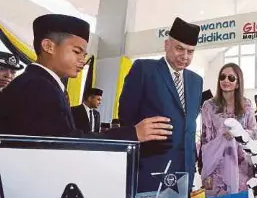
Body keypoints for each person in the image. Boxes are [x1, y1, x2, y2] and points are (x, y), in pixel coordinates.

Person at [0, 14, 172, 143]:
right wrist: (132, 134)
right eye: (76, 51)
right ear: (48, 46)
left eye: (84, 54)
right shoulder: (37, 86)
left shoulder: (42, 83)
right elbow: (63, 143)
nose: (82, 60)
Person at [119, 17, 203, 194]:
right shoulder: (144, 69)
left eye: (190, 51)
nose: (185, 56)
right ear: (166, 45)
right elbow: (126, 116)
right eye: (179, 48)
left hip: (184, 172)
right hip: (150, 169)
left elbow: (189, 123)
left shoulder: (196, 81)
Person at [199, 63, 257, 198]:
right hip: (215, 166)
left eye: (231, 78)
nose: (225, 80)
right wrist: (205, 170)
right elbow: (205, 139)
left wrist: (238, 133)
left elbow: (254, 131)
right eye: (222, 77)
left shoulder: (246, 105)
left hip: (241, 166)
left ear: (238, 83)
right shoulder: (208, 106)